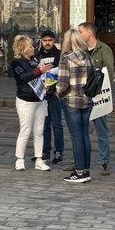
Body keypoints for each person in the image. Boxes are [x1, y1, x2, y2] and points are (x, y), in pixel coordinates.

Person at [57, 29, 94, 183]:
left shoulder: (66, 59)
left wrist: (58, 93)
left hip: (71, 100)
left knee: (76, 136)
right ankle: (85, 169)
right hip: (86, 100)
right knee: (85, 135)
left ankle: (79, 172)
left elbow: (62, 84)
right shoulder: (88, 57)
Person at [76, 22, 113, 175]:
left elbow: (108, 73)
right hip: (81, 95)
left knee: (101, 130)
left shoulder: (104, 49)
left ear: (89, 33)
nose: (79, 35)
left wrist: (100, 90)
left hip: (98, 95)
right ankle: (79, 160)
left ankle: (104, 162)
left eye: (80, 31)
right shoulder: (80, 50)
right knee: (79, 132)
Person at [11, 35, 50, 172]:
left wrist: (46, 83)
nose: (33, 48)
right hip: (25, 100)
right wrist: (39, 70)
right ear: (23, 49)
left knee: (39, 131)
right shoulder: (16, 63)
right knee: (25, 130)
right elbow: (23, 78)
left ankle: (39, 159)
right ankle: (19, 159)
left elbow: (40, 77)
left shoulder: (34, 60)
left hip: (39, 99)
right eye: (30, 46)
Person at [36, 30, 63, 164]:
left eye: (50, 40)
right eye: (45, 40)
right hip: (41, 95)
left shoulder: (59, 55)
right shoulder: (37, 55)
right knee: (44, 124)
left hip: (55, 95)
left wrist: (52, 89)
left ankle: (59, 151)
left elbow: (61, 74)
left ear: (54, 41)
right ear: (41, 41)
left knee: (57, 124)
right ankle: (45, 151)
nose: (47, 43)